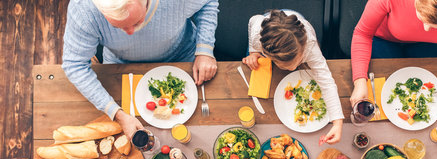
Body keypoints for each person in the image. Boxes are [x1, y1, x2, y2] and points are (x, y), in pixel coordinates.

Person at [62, 0, 219, 137]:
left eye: (137, 22)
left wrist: (205, 49)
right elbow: (75, 65)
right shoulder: (83, 8)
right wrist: (116, 113)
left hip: (183, 56)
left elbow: (208, 3)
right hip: (121, 66)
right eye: (119, 27)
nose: (130, 33)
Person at [350, 0, 437, 107]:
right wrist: (359, 82)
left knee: (424, 91)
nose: (426, 29)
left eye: (435, 27)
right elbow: (362, 34)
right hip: (385, 39)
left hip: (431, 46)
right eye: (423, 18)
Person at [243, 10, 345, 145]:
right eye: (285, 67)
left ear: (304, 50)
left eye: (299, 61)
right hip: (269, 31)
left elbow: (326, 81)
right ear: (269, 55)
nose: (292, 69)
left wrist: (337, 122)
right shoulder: (257, 36)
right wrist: (253, 51)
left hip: (297, 24)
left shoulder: (311, 46)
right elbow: (253, 19)